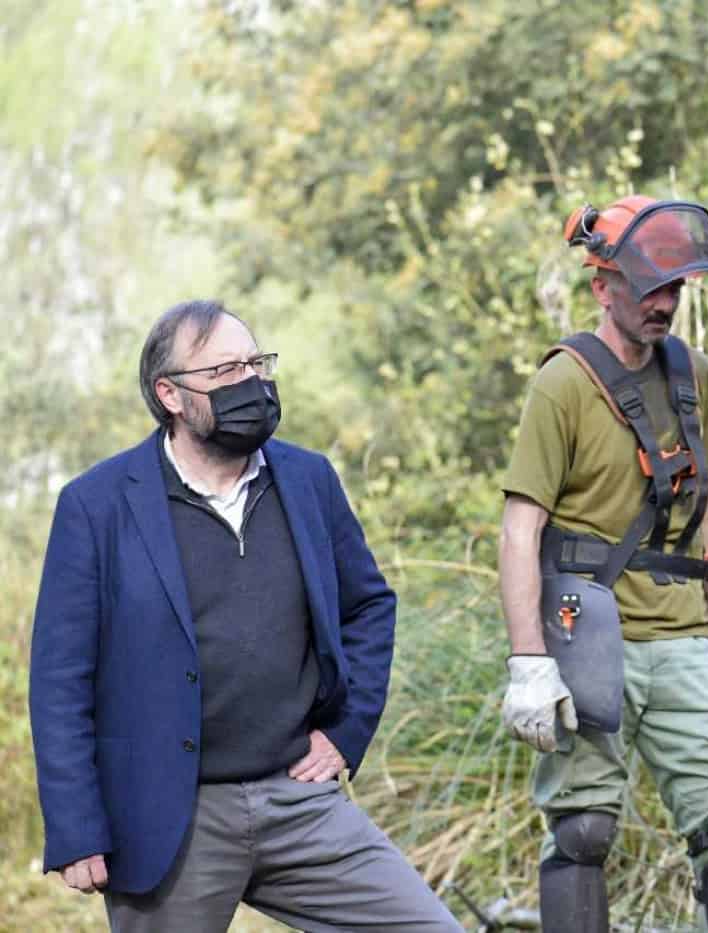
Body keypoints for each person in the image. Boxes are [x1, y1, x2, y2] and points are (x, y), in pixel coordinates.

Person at [29, 300, 462, 932]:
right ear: (169, 394)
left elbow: (368, 606)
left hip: (300, 801)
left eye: (257, 363)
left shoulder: (308, 478)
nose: (251, 383)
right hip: (168, 817)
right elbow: (60, 680)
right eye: (227, 370)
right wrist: (76, 827)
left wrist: (346, 732)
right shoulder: (96, 505)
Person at [498, 195, 708, 932]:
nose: (666, 303)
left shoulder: (696, 376)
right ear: (601, 285)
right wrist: (529, 661)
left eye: (677, 287)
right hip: (587, 636)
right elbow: (520, 528)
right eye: (651, 286)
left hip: (682, 635)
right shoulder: (562, 383)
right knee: (583, 832)